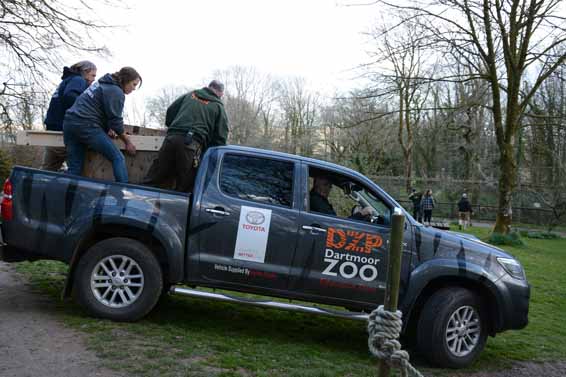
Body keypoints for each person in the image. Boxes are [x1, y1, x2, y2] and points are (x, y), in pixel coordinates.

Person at [143, 80, 229, 192]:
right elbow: (220, 137)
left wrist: (173, 127)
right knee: (185, 185)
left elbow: (170, 111)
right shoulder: (218, 106)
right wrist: (208, 151)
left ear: (209, 87)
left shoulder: (190, 95)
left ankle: (137, 202)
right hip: (191, 144)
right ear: (220, 93)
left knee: (154, 176)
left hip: (171, 139)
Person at [63, 67, 140, 183]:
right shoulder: (116, 91)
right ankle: (123, 195)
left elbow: (98, 109)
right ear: (126, 79)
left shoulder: (101, 83)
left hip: (69, 123)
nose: (134, 89)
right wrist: (127, 142)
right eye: (134, 84)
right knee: (117, 157)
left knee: (74, 169)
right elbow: (116, 122)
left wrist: (107, 128)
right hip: (86, 125)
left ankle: (64, 199)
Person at [42, 61, 97, 171]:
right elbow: (70, 95)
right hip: (64, 131)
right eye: (93, 75)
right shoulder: (78, 80)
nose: (94, 79)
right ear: (85, 72)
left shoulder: (68, 80)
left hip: (52, 130)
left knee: (48, 169)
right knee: (79, 170)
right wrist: (87, 110)